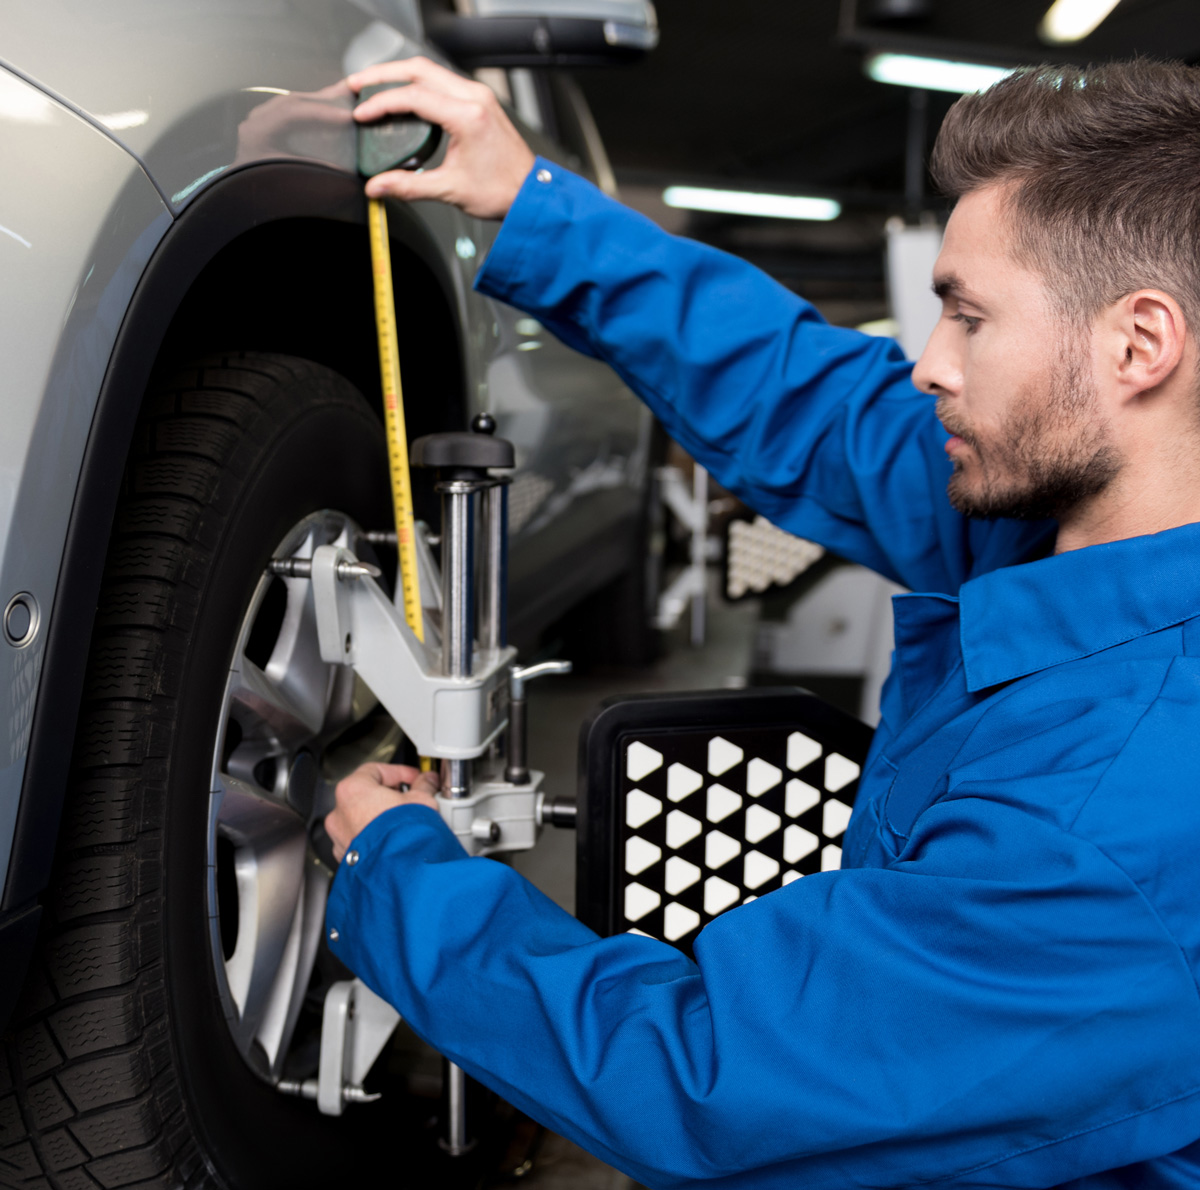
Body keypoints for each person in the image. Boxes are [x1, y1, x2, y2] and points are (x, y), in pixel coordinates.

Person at [324, 57, 1200, 1188]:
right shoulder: (1069, 517)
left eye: (968, 318)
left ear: (1140, 343)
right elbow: (820, 403)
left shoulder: (1114, 828)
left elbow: (708, 1080)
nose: (927, 364)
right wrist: (534, 201)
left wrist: (398, 878)